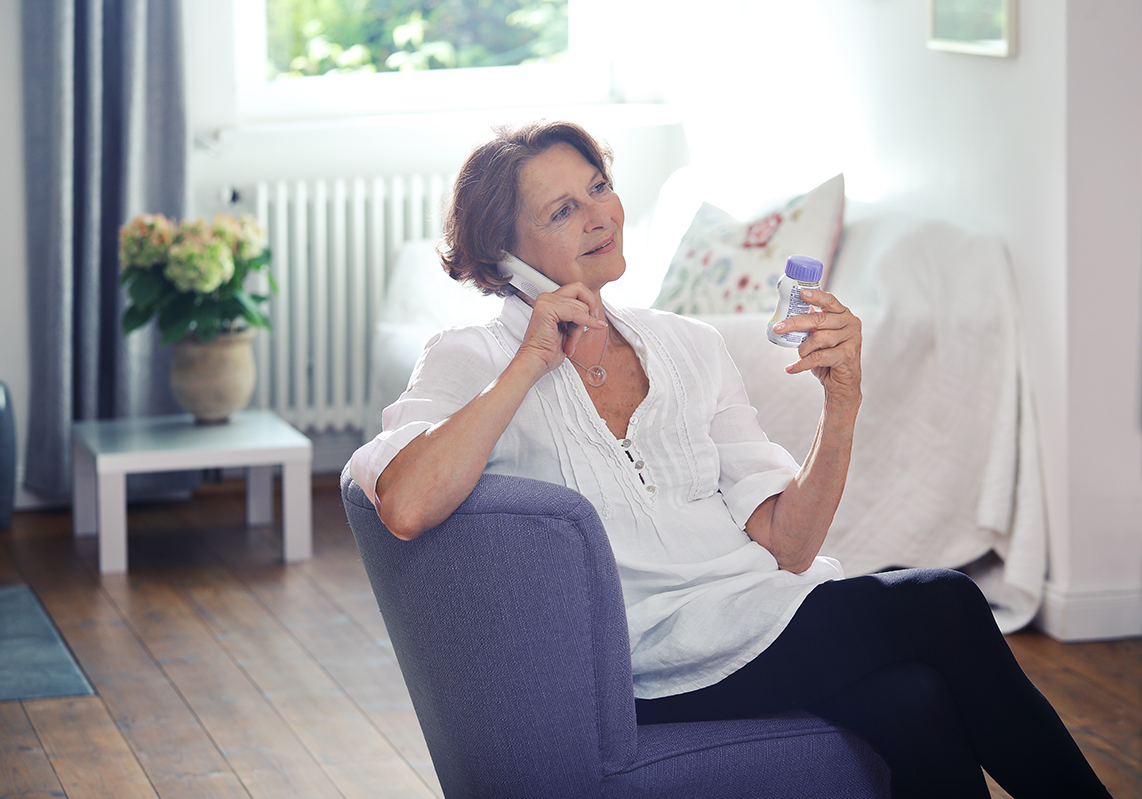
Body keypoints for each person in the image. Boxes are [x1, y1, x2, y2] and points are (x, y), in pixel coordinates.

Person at [350, 120, 1111, 798]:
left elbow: (789, 544)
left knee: (912, 698)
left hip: (756, 616)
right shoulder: (467, 357)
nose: (599, 215)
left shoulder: (691, 345)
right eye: (561, 210)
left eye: (598, 188)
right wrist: (526, 363)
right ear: (502, 253)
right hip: (648, 657)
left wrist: (840, 399)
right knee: (941, 598)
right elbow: (406, 504)